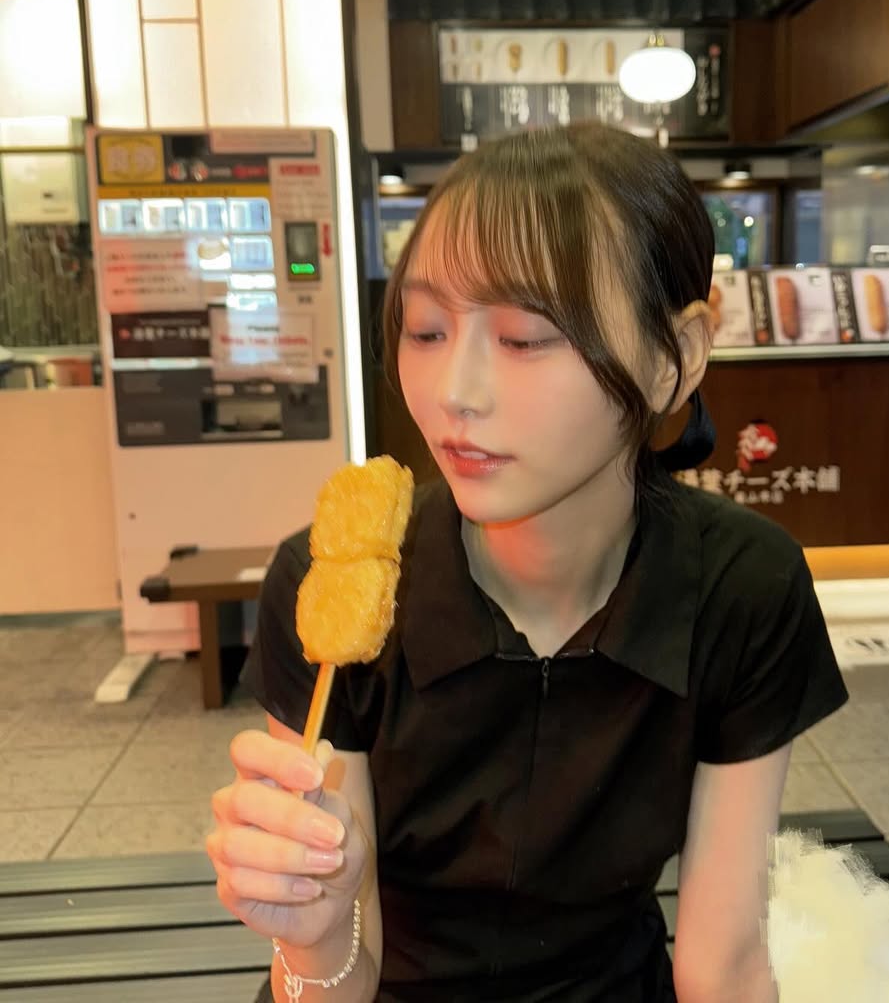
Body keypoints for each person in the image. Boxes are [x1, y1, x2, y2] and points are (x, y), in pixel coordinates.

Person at [207, 124, 850, 1002]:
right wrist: (315, 936)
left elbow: (724, 964)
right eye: (427, 329)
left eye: (524, 335)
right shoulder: (327, 585)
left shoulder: (744, 585)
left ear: (676, 356)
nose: (454, 392)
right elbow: (334, 985)